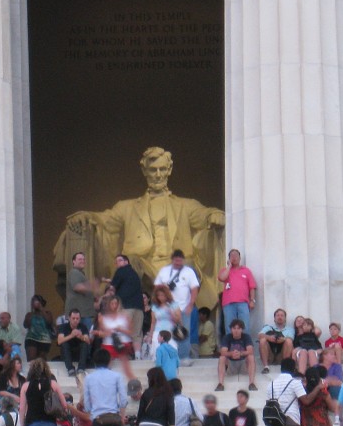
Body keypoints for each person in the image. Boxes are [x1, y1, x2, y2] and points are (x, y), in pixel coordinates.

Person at [55, 147, 225, 313]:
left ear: (169, 170)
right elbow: (106, 219)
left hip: (174, 264)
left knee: (187, 265)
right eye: (153, 170)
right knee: (130, 263)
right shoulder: (127, 207)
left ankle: (176, 311)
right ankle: (127, 312)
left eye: (162, 169)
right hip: (143, 264)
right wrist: (87, 216)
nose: (158, 175)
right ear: (145, 171)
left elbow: (204, 215)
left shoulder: (185, 205)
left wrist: (215, 214)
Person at [155, 249, 201, 360]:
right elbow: (157, 287)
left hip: (183, 307)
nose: (178, 263)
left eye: (180, 261)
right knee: (167, 331)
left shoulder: (188, 271)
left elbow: (194, 288)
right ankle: (167, 356)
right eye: (176, 261)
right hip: (167, 307)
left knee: (183, 332)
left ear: (183, 260)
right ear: (172, 260)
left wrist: (191, 304)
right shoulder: (164, 271)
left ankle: (184, 357)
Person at [217, 248, 257, 336]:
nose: (234, 258)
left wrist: (252, 300)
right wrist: (229, 267)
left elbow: (252, 287)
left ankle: (245, 347)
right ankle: (230, 347)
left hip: (243, 303)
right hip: (228, 303)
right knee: (229, 326)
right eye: (232, 256)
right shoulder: (225, 270)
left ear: (239, 258)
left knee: (244, 326)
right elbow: (222, 278)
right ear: (228, 258)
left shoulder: (246, 271)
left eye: (236, 256)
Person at [95, 296, 135, 380]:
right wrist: (107, 332)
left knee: (126, 368)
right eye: (112, 303)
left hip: (122, 343)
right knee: (106, 366)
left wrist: (121, 329)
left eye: (116, 303)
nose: (114, 306)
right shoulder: (102, 318)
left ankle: (133, 383)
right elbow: (101, 332)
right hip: (108, 343)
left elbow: (131, 333)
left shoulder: (125, 316)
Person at [110, 254, 146, 345]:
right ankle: (137, 355)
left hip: (125, 307)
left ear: (126, 262)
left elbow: (112, 287)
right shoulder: (135, 273)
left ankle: (120, 354)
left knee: (120, 330)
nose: (117, 263)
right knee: (137, 333)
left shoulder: (120, 271)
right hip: (139, 308)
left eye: (120, 260)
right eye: (116, 262)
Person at [216, 319, 257, 391]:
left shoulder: (246, 337)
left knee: (251, 356)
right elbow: (222, 352)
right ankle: (220, 384)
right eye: (234, 328)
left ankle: (252, 383)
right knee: (222, 357)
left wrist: (240, 353)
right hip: (231, 365)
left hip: (243, 364)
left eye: (238, 328)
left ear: (242, 329)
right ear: (231, 329)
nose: (236, 330)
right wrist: (231, 354)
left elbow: (250, 350)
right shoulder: (227, 337)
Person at [148, 284, 181, 360]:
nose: (161, 297)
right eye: (159, 295)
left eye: (163, 295)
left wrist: (171, 312)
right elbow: (153, 322)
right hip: (158, 331)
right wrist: (150, 335)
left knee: (171, 352)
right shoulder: (155, 307)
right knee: (158, 353)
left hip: (170, 331)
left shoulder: (174, 305)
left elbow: (178, 320)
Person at [57, 308, 91, 377]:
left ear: (80, 319)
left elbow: (88, 341)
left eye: (77, 318)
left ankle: (81, 368)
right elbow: (59, 341)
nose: (75, 320)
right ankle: (70, 369)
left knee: (84, 344)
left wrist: (81, 336)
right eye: (73, 318)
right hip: (67, 354)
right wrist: (71, 335)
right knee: (64, 344)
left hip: (79, 353)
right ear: (69, 318)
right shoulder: (63, 327)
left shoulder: (83, 327)